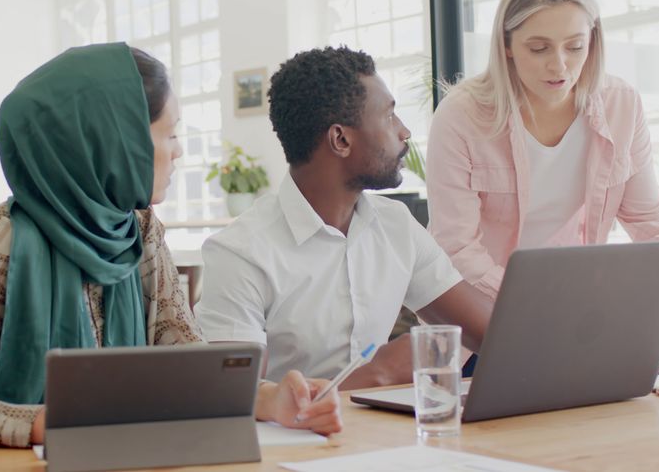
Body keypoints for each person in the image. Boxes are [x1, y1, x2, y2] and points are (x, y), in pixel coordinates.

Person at [0, 43, 341, 448]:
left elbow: (185, 362)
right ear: (117, 140)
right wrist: (41, 424)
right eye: (170, 133)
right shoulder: (4, 240)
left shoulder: (138, 226)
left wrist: (270, 399)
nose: (178, 151)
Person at [425, 0, 659, 318]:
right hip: (480, 314)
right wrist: (540, 301)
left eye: (575, 46)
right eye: (539, 49)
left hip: (571, 310)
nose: (559, 66)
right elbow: (456, 248)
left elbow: (647, 216)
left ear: (592, 40)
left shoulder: (620, 104)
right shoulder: (461, 116)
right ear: (506, 45)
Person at [195, 46, 493, 389]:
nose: (404, 132)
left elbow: (489, 332)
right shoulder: (240, 253)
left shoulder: (396, 226)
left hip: (387, 438)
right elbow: (235, 395)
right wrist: (372, 375)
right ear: (340, 139)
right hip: (290, 443)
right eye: (389, 116)